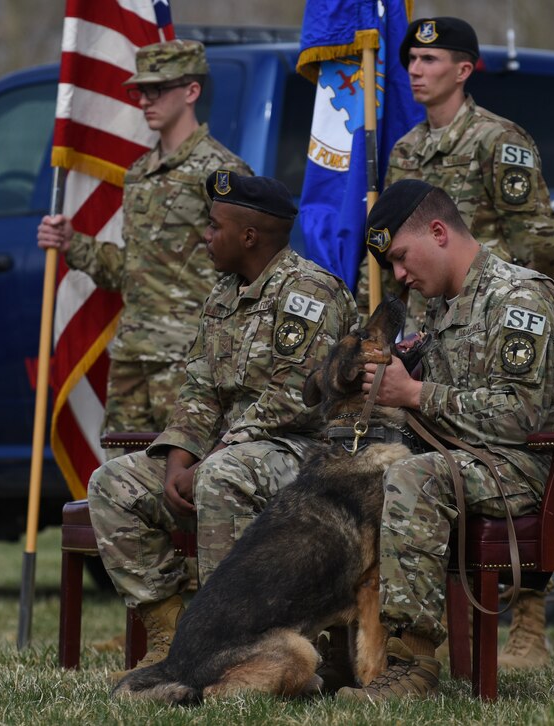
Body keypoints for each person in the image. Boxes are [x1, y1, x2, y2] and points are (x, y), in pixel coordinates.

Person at [337, 180, 554, 701]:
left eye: (400, 258)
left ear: (438, 233)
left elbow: (518, 418)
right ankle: (342, 649)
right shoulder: (445, 306)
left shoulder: (518, 298)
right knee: (365, 467)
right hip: (494, 460)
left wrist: (414, 392)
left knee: (415, 477)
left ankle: (411, 666)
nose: (398, 276)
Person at [88, 171, 358, 679]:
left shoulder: (310, 294)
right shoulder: (223, 296)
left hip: (306, 457)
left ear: (248, 236)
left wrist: (207, 462)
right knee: (113, 484)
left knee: (222, 477)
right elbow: (200, 390)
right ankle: (173, 636)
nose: (204, 238)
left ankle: (235, 647)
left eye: (213, 227)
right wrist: (177, 460)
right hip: (232, 453)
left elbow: (292, 402)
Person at [359, 16, 554, 667]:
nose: (415, 69)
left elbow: (538, 240)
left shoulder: (500, 141)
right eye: (411, 59)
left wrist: (508, 304)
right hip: (437, 326)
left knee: (500, 442)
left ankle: (527, 618)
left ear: (464, 68)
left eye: (429, 57)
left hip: (500, 316)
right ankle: (382, 632)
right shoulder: (405, 150)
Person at [37, 39, 252, 437]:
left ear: (191, 91)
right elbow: (131, 269)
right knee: (122, 481)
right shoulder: (137, 173)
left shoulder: (221, 172)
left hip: (190, 358)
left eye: (158, 89)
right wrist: (74, 243)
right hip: (133, 356)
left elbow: (252, 266)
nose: (145, 101)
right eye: (141, 91)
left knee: (185, 478)